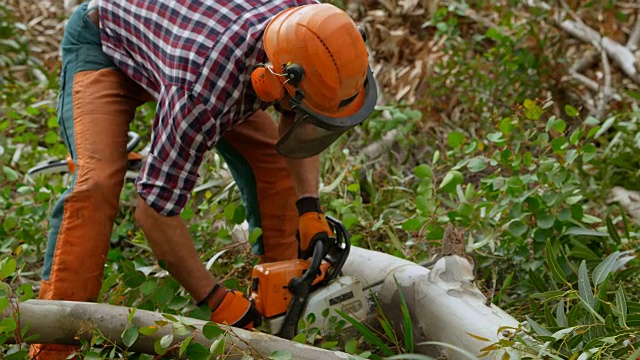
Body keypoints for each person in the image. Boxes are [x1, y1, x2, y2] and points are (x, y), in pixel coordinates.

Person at [30, 0, 376, 358]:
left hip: (192, 47)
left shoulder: (314, 26)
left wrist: (309, 207)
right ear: (271, 81)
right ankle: (52, 343)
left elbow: (305, 121)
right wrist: (215, 299)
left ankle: (282, 302)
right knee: (97, 183)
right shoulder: (200, 92)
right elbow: (154, 211)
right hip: (104, 42)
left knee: (273, 166)